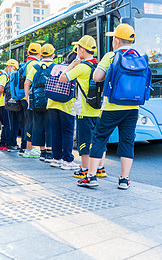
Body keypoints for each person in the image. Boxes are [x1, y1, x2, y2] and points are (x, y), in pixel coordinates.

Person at [78, 24, 138, 190]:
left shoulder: (111, 55)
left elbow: (97, 77)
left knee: (99, 137)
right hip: (133, 108)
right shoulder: (138, 56)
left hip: (112, 106)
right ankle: (124, 179)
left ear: (116, 40)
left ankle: (91, 176)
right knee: (127, 141)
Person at [59, 35, 106, 178]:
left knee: (84, 141)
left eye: (77, 48)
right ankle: (100, 169)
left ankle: (85, 169)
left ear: (81, 50)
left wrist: (72, 65)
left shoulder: (81, 68)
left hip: (84, 111)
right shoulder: (99, 66)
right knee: (99, 139)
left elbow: (62, 78)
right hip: (99, 110)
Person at [48, 51, 79, 170]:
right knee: (67, 132)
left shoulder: (56, 66)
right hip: (66, 104)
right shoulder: (73, 69)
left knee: (56, 132)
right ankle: (67, 160)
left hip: (51, 103)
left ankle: (56, 159)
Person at [25, 44, 54, 162]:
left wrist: (28, 100)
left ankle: (42, 152)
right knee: (50, 127)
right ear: (53, 54)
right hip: (51, 102)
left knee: (38, 126)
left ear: (41, 54)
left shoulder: (35, 67)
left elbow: (27, 83)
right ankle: (49, 152)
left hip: (36, 102)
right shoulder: (55, 67)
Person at [21, 43, 41, 158]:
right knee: (31, 123)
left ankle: (25, 147)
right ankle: (29, 149)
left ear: (28, 52)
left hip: (24, 97)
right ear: (39, 53)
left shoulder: (26, 63)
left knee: (26, 123)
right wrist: (29, 99)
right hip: (31, 98)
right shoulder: (36, 64)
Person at [0, 59, 17, 151]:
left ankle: (2, 143)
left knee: (5, 124)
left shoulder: (2, 75)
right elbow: (0, 88)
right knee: (8, 124)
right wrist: (8, 93)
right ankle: (9, 144)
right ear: (9, 66)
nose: (14, 70)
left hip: (1, 103)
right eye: (13, 68)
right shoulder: (4, 76)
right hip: (3, 103)